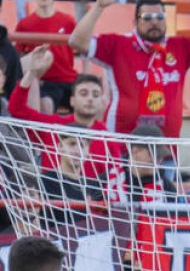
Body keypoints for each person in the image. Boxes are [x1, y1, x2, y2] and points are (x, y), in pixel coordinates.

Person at [68, 0, 190, 137]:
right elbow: (76, 41)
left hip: (166, 151)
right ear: (135, 21)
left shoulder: (180, 46)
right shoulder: (119, 45)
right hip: (123, 146)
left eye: (160, 17)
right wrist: (98, 7)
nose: (154, 22)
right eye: (147, 17)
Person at [9, 46, 119, 180]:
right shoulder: (53, 126)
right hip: (52, 198)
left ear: (101, 101)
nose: (90, 98)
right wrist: (32, 73)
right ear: (72, 100)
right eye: (84, 93)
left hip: (92, 200)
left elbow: (116, 178)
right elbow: (16, 108)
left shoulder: (107, 138)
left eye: (95, 95)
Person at [14, 0, 76, 114]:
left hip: (69, 79)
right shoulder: (25, 24)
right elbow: (20, 57)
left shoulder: (68, 21)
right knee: (45, 106)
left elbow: (83, 51)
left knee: (93, 99)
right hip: (45, 83)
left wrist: (86, 75)